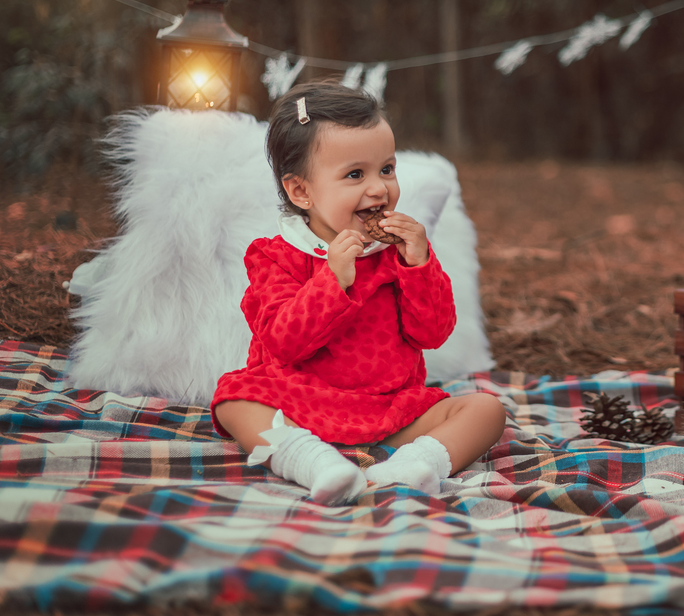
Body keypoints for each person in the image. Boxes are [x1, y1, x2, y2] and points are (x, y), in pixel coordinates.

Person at [211, 81, 506, 505]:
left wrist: (418, 265)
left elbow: (432, 333)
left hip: (390, 409)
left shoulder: (396, 253)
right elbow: (283, 342)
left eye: (386, 169)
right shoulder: (276, 256)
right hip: (301, 404)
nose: (378, 189)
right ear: (301, 191)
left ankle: (415, 465)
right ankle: (312, 461)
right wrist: (332, 281)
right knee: (233, 401)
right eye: (355, 175)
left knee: (486, 411)